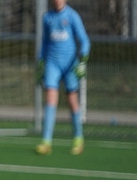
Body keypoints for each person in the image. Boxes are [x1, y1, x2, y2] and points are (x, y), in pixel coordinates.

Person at [36, 0, 90, 156]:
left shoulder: (72, 16)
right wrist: (41, 62)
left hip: (70, 65)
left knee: (72, 101)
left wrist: (83, 61)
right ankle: (46, 142)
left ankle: (78, 137)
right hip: (52, 63)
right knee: (50, 99)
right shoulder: (47, 17)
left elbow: (84, 40)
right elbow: (45, 42)